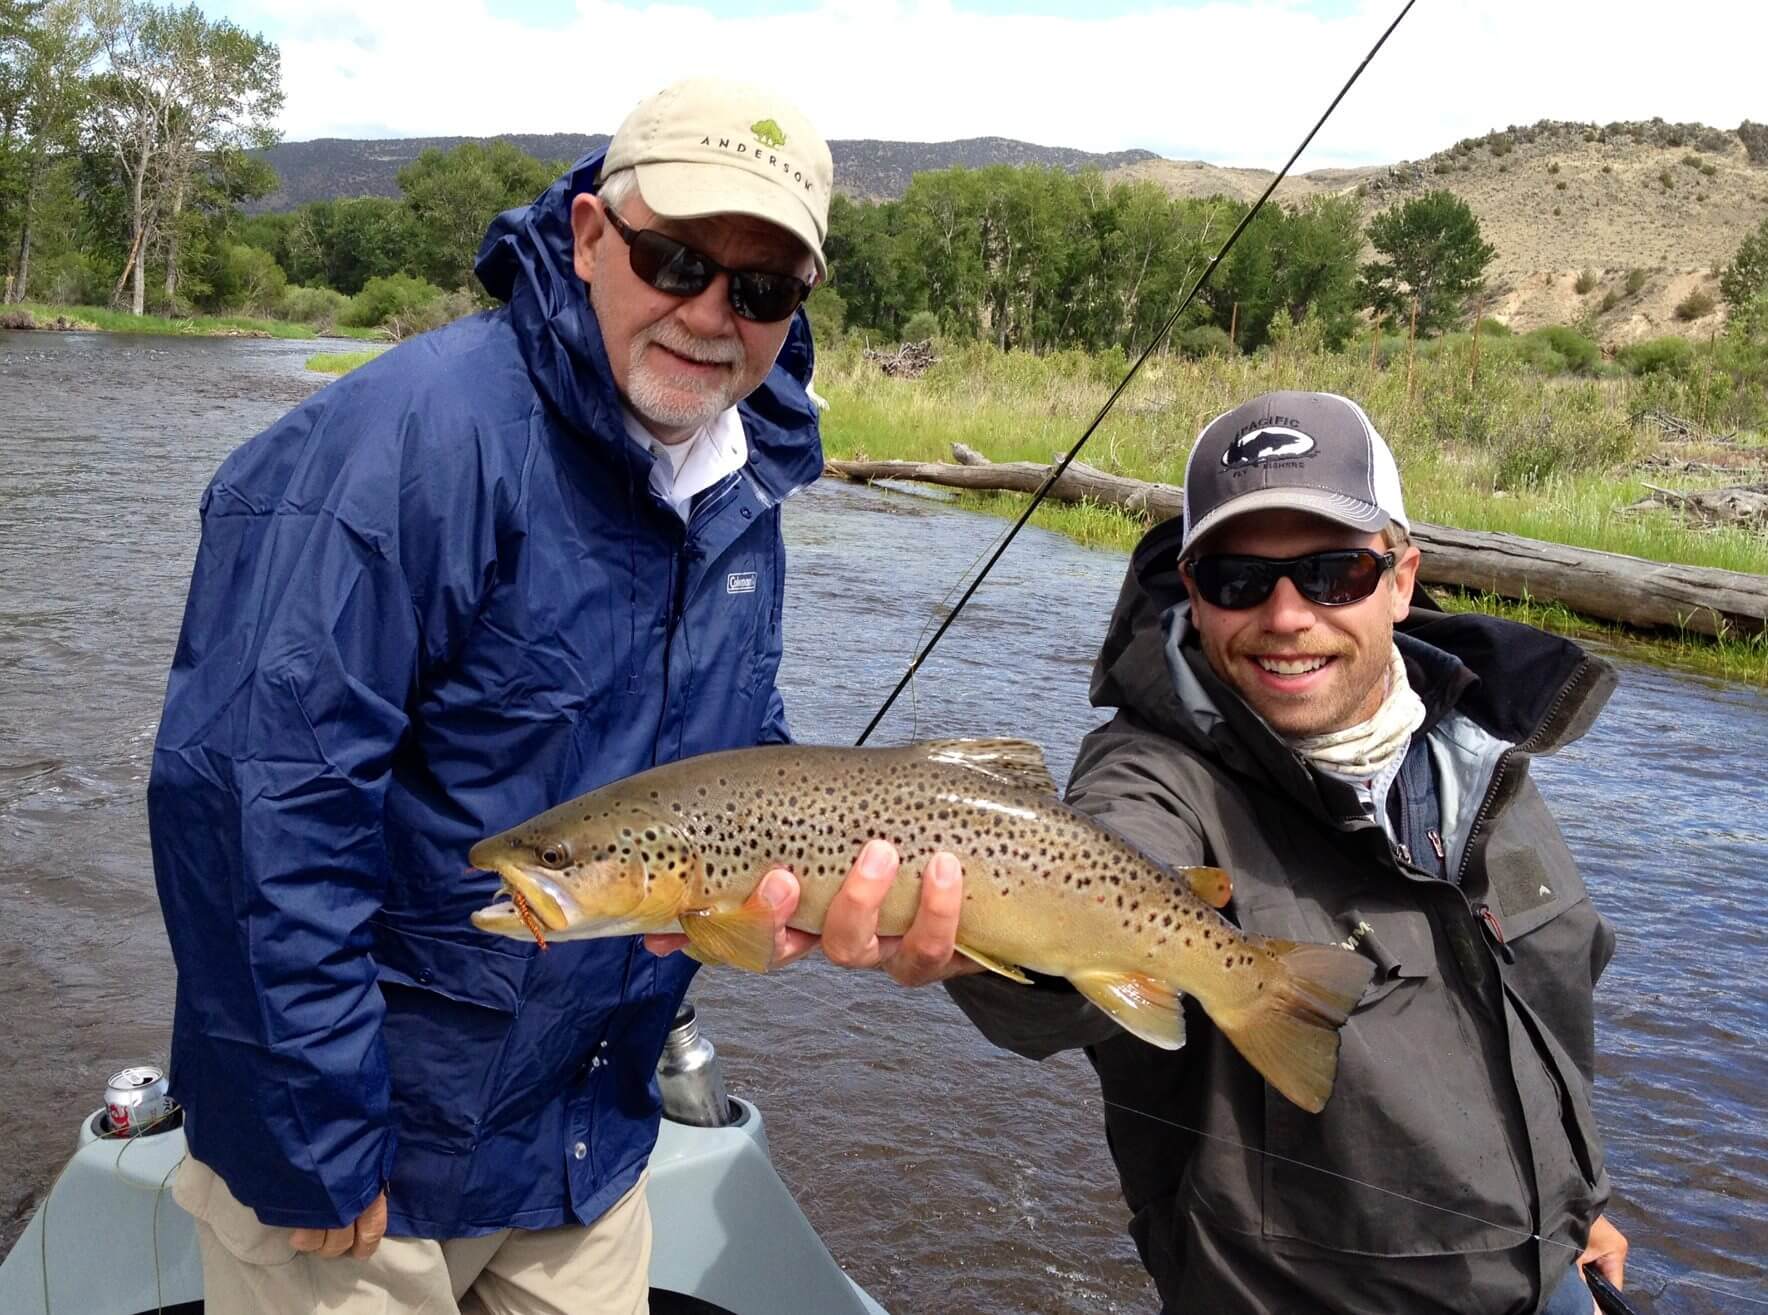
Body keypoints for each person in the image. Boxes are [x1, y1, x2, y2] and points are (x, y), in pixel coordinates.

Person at [148, 77, 833, 1315]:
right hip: (367, 1165)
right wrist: (311, 1131)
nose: (709, 314)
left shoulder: (738, 477)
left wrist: (805, 892)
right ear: (590, 236)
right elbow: (255, 807)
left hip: (582, 1143)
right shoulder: (402, 442)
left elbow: (734, 754)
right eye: (676, 261)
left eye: (761, 289)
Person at [736, 391, 1631, 1313]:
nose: (1288, 615)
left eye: (1334, 574)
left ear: (1401, 580)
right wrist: (996, 953)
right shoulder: (1151, 774)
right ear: (1193, 591)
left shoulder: (1482, 752)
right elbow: (1090, 911)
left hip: (1561, 1274)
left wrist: (1577, 1200)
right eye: (1240, 578)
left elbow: (1546, 1003)